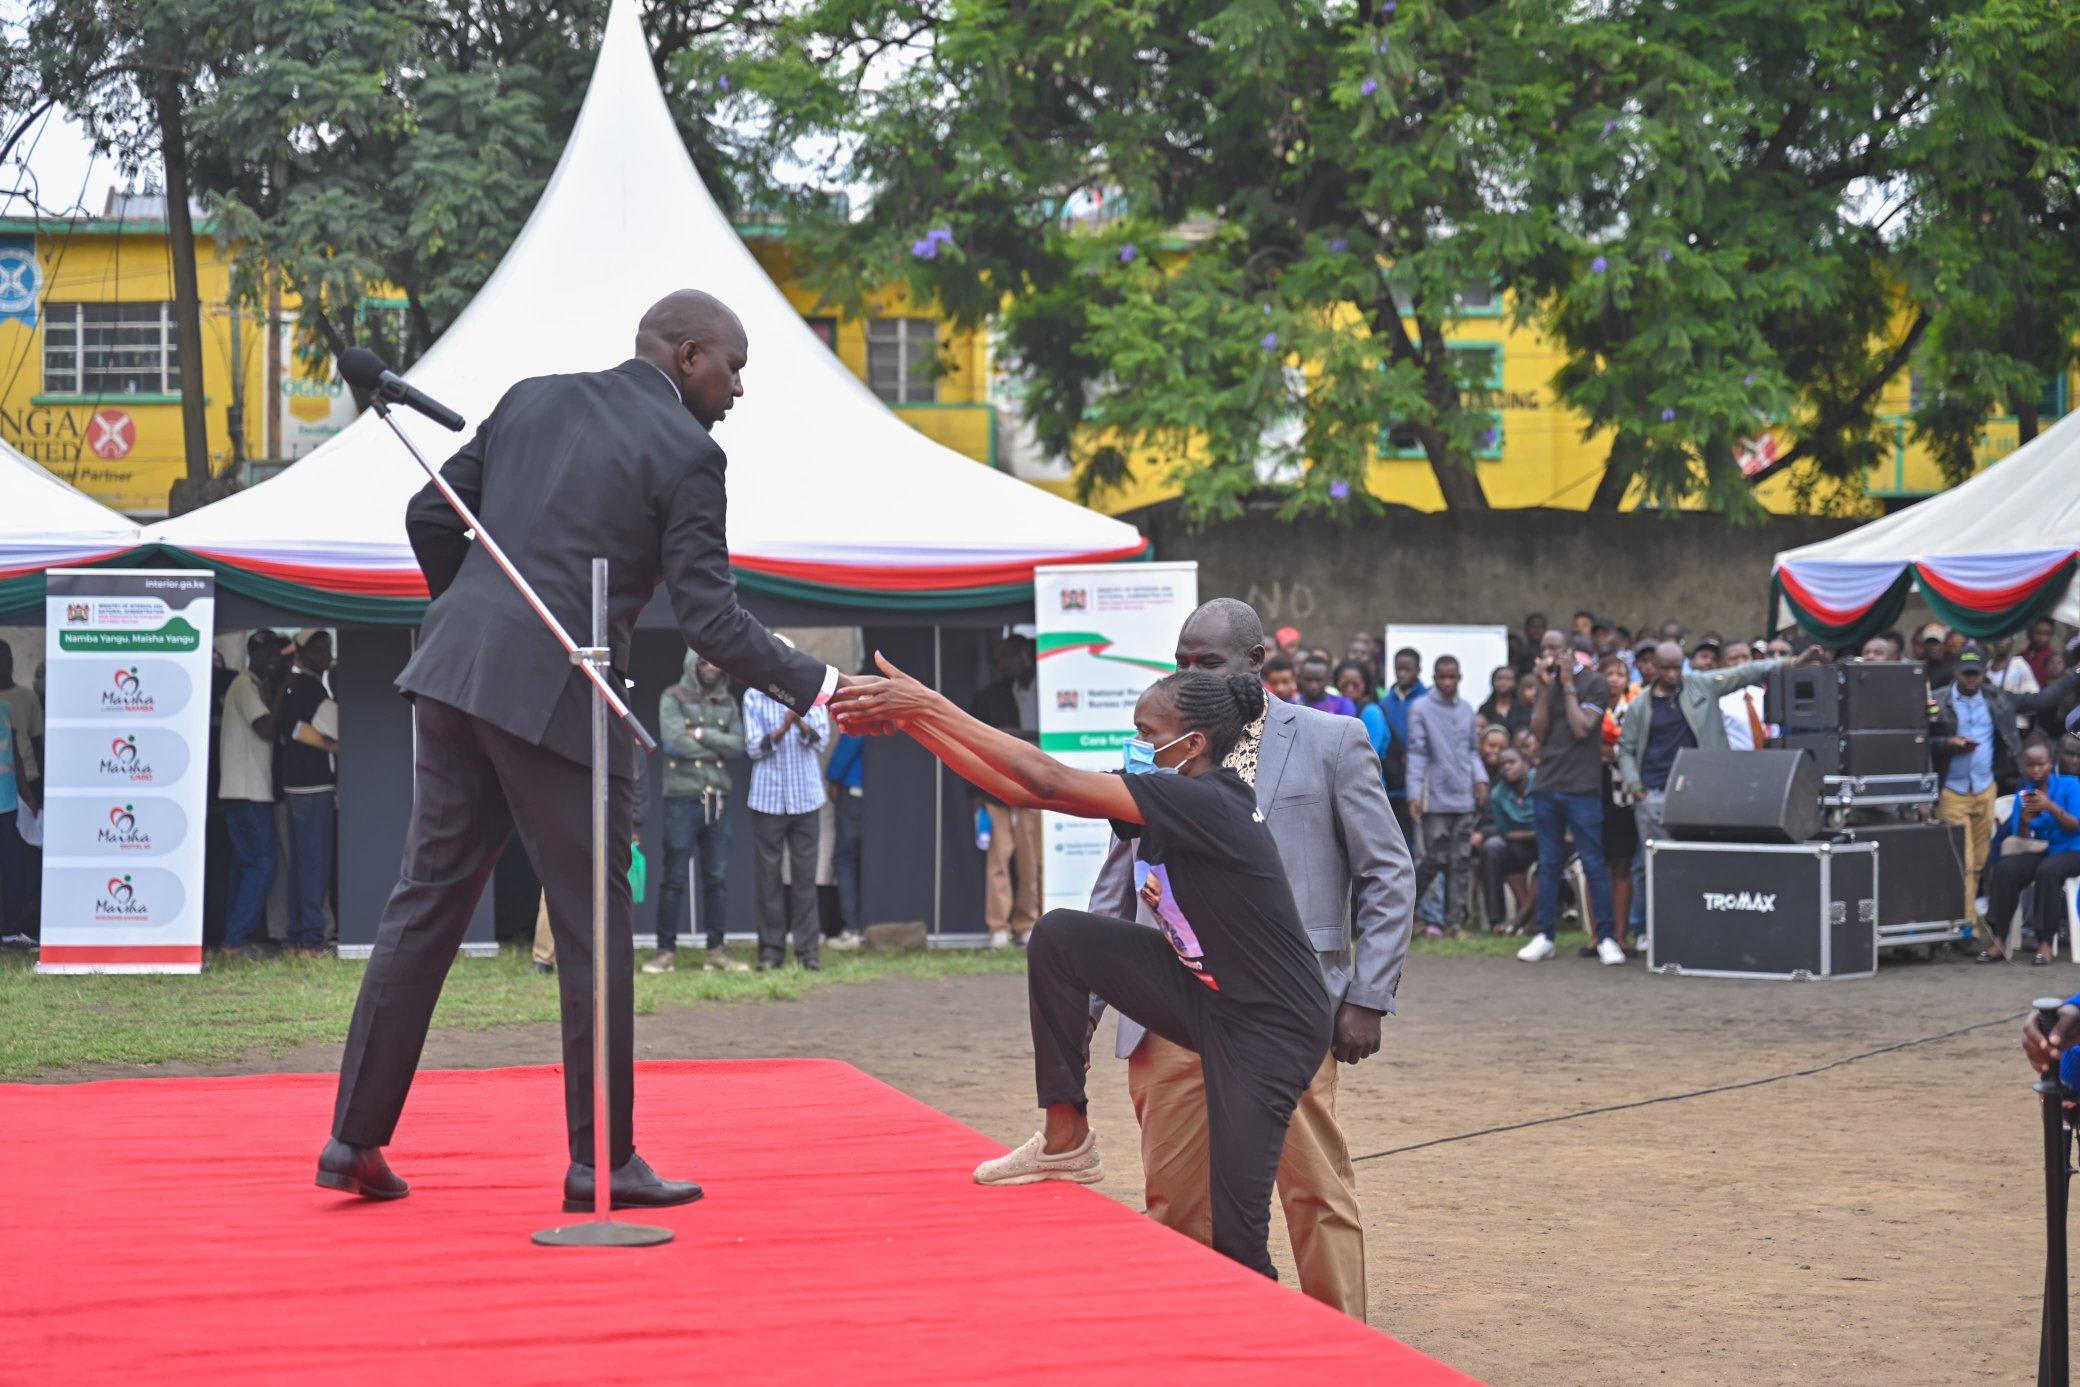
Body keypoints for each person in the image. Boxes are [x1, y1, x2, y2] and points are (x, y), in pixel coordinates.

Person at [322, 289, 855, 1211]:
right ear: (689, 355)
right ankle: (602, 1161)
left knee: (423, 908)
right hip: (562, 693)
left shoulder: (532, 396)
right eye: (734, 367)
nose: (739, 390)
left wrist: (475, 618)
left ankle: (351, 1139)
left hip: (451, 678)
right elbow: (711, 620)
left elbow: (430, 516)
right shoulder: (691, 452)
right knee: (594, 931)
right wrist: (822, 686)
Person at [838, 657, 1353, 1287]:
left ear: (1191, 744)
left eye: (1146, 730)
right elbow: (1022, 791)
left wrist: (927, 703)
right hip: (1209, 995)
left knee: (1237, 1239)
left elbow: (1046, 778)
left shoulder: (1207, 801)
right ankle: (1066, 1137)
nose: (1135, 743)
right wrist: (911, 720)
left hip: (1270, 1030)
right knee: (1060, 937)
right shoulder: (1170, 792)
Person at [1072, 598, 1408, 1316]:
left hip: (1287, 1009)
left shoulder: (1330, 739)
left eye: (1210, 663)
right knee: (1174, 1203)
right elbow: (1119, 876)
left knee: (1314, 1192)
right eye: (1182, 662)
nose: (1192, 675)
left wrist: (1367, 995)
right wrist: (1088, 1000)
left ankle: (1343, 1357)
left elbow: (1388, 871)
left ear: (1257, 664)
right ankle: (1207, 1351)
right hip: (1170, 1007)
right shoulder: (1158, 744)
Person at [1930, 646, 2079, 928]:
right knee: (1962, 861)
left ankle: (1969, 922)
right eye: (1966, 673)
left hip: (1985, 788)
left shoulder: (1998, 698)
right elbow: (1920, 741)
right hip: (1953, 789)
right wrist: (1947, 744)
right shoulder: (1937, 700)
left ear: (1984, 672)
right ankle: (1965, 927)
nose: (1971, 679)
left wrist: (2075, 674)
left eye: (1976, 673)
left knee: (1981, 860)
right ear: (1956, 672)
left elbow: (2043, 699)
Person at [644, 651, 749, 975]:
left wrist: (702, 735)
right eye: (704, 662)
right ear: (692, 664)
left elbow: (738, 745)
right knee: (673, 878)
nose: (711, 667)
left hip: (717, 798)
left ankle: (717, 951)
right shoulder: (672, 697)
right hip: (682, 798)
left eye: (716, 662)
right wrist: (717, 744)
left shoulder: (728, 702)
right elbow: (674, 743)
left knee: (716, 880)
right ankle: (665, 952)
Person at [1518, 633, 1620, 964]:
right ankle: (1544, 935)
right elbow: (1540, 732)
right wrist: (1547, 688)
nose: (1547, 654)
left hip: (1582, 789)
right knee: (1548, 864)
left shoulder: (1595, 683)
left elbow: (1582, 728)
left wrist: (1567, 685)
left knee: (1592, 862)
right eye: (1544, 648)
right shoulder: (1546, 685)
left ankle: (1606, 938)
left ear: (1569, 652)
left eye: (1554, 649)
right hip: (1547, 786)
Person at [744, 682, 830, 970]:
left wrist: (801, 724)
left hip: (806, 797)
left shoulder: (813, 695)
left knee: (806, 877)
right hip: (768, 797)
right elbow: (754, 748)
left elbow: (822, 741)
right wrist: (783, 728)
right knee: (768, 878)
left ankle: (808, 953)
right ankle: (770, 951)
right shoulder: (753, 695)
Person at [218, 630, 292, 956]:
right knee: (262, 864)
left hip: (244, 789)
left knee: (246, 865)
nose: (273, 659)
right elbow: (266, 729)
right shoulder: (246, 685)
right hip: (248, 791)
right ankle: (235, 940)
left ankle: (233, 938)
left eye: (277, 653)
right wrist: (284, 690)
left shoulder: (255, 685)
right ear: (252, 653)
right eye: (267, 653)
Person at [1978, 741, 2080, 964]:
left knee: (2048, 871)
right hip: (2045, 850)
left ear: (2050, 764)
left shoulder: (2069, 785)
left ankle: (2045, 942)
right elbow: (2023, 839)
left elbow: (2075, 825)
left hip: (2074, 850)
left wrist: (2049, 806)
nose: (2036, 770)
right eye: (2030, 765)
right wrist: (2025, 821)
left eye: (2041, 764)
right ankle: (1999, 939)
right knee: (2006, 869)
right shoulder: (2023, 796)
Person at [1407, 654, 1487, 938]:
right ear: (1434, 678)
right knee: (1435, 858)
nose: (1447, 682)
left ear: (1460, 677)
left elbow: (1473, 751)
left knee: (1460, 860)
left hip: (1464, 795)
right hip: (1435, 796)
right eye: (1442, 677)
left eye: (1452, 677)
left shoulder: (1467, 709)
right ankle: (1405, 908)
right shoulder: (1420, 709)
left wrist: (1480, 779)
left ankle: (1456, 923)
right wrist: (1414, 792)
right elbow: (1417, 752)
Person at [972, 635, 1043, 948]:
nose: (1002, 666)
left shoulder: (1048, 689)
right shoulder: (990, 696)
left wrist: (1019, 735)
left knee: (1031, 859)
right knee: (999, 858)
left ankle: (1027, 923)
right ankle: (998, 927)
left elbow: (1052, 733)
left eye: (1008, 659)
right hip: (995, 787)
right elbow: (973, 743)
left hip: (1037, 785)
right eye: (998, 661)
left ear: (1024, 657)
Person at [276, 629, 337, 955]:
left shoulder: (290, 686)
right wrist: (335, 746)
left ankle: (299, 936)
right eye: (322, 649)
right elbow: (321, 730)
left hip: (293, 787)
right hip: (314, 786)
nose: (327, 655)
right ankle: (313, 940)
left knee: (300, 866)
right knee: (314, 865)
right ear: (305, 653)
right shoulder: (311, 686)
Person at [1481, 748, 1537, 933]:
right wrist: (1535, 833)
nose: (1507, 767)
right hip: (1524, 842)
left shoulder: (1539, 781)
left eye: (1512, 762)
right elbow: (1505, 833)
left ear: (1526, 763)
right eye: (1503, 765)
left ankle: (1522, 918)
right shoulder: (1498, 794)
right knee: (1497, 850)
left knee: (1549, 856)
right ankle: (1497, 920)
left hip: (1553, 839)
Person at [1378, 647, 1427, 845]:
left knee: (1419, 836)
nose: (1402, 674)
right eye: (1399, 669)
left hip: (1419, 776)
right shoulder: (1386, 702)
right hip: (1392, 776)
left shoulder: (1427, 699)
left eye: (1408, 669)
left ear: (1418, 670)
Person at [826, 726, 866, 949]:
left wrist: (832, 776)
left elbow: (853, 739)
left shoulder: (867, 701)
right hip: (886, 793)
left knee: (845, 859)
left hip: (854, 790)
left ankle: (851, 929)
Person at [1717, 642, 1774, 751]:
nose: (1741, 662)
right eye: (1734, 658)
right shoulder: (1717, 700)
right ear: (1722, 663)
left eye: (1745, 657)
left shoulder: (1762, 694)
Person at [1990, 634, 2042, 733]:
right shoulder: (1987, 666)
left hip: (2014, 726)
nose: (2001, 641)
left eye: (2005, 637)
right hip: (1992, 726)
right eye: (1997, 638)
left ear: (2013, 641)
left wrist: (2013, 706)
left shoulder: (2019, 665)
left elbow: (2033, 697)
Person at [1478, 664, 1530, 737]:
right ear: (1493, 682)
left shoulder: (1523, 709)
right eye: (1499, 679)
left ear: (1515, 683)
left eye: (1508, 679)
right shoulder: (1485, 709)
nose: (1503, 682)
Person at [2025, 618, 2060, 685]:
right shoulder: (2020, 657)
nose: (2041, 638)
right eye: (2037, 633)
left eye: (2046, 634)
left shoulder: (2054, 660)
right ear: (2030, 633)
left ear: (2051, 635)